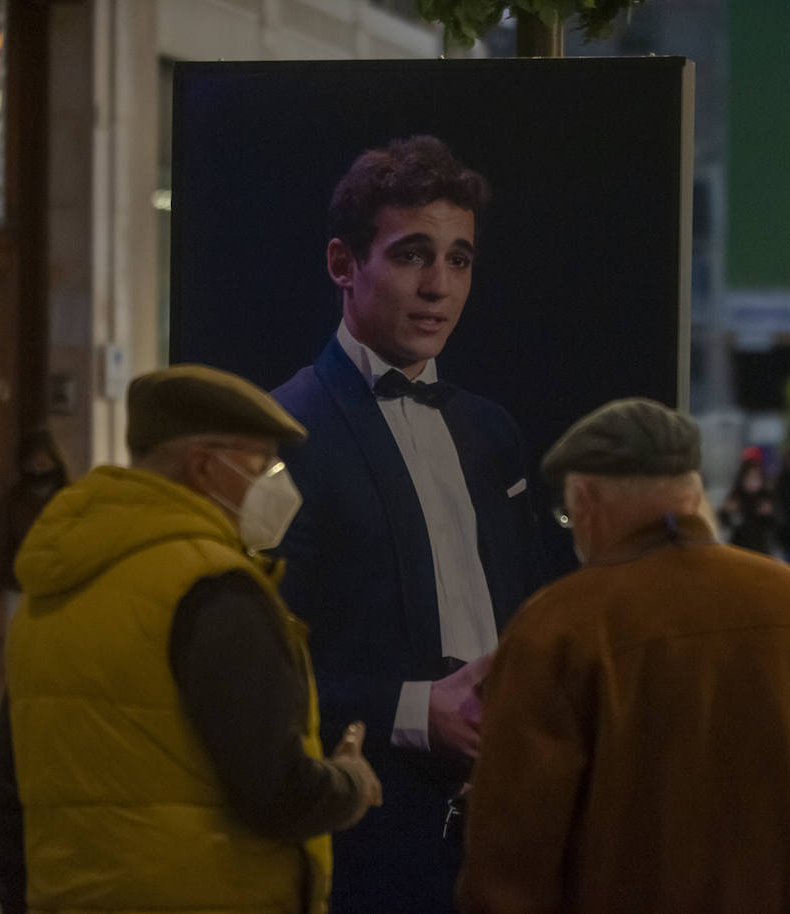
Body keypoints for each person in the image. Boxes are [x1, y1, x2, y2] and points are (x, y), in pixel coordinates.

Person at [458, 398, 790, 914]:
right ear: (695, 495)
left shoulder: (557, 628)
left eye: (569, 513)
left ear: (587, 500)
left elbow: (512, 856)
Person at [0, 365, 382, 914]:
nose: (277, 484)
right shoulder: (214, 590)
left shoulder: (54, 587)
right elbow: (277, 791)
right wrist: (351, 782)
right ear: (206, 466)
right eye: (263, 464)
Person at [271, 135, 544, 913]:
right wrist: (415, 710)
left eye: (459, 260)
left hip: (502, 824)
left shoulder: (492, 433)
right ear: (342, 264)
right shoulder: (283, 432)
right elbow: (258, 676)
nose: (438, 287)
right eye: (412, 255)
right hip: (367, 832)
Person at [0, 426, 69, 705]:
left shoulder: (70, 498)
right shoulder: (13, 501)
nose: (38, 469)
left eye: (44, 462)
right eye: (33, 462)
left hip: (61, 590)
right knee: (22, 660)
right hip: (20, 590)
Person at [716, 448, 775, 554]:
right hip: (740, 549)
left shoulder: (766, 497)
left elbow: (775, 524)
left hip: (761, 550)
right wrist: (727, 512)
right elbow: (724, 521)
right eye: (750, 478)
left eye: (756, 478)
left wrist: (768, 514)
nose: (753, 482)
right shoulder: (736, 495)